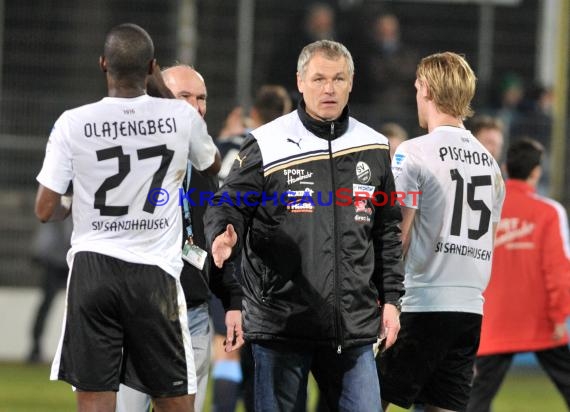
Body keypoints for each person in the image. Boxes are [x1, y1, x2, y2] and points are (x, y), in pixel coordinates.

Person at [205, 39, 404, 412]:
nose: (328, 88)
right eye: (318, 79)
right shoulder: (266, 143)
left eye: (338, 78)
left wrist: (391, 300)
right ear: (300, 82)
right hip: (282, 324)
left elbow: (386, 231)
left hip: (353, 326)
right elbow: (226, 203)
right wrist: (222, 233)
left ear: (351, 82)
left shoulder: (374, 146)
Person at [34, 23, 221, 412]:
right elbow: (210, 164)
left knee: (96, 398)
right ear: (152, 66)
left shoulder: (73, 122)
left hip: (93, 270)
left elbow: (45, 209)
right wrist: (168, 95)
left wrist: (77, 203)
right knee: (175, 399)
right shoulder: (179, 118)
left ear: (103, 64)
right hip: (153, 272)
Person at [377, 52, 505, 412]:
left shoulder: (412, 153)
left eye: (417, 87)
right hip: (468, 310)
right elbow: (488, 240)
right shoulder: (491, 165)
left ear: (428, 89)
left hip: (421, 302)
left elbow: (398, 233)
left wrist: (380, 296)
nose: (417, 95)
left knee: (367, 398)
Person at [115, 64, 243, 412]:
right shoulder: (127, 155)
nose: (196, 106)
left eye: (201, 98)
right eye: (183, 96)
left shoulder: (208, 168)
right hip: (136, 315)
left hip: (194, 314)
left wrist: (232, 301)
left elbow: (218, 240)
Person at [466, 138, 570, 412]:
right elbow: (558, 270)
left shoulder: (483, 210)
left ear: (504, 167)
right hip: (541, 321)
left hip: (494, 321)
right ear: (537, 171)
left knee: (475, 401)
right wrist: (560, 315)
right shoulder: (549, 212)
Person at [211, 84, 293, 412]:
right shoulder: (283, 150)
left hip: (223, 256)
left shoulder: (223, 145)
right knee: (261, 353)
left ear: (253, 113)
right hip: (264, 265)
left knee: (226, 347)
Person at [27, 218, 73, 363]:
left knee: (80, 308)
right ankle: (35, 348)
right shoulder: (59, 206)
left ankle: (76, 351)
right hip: (56, 262)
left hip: (71, 261)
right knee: (46, 306)